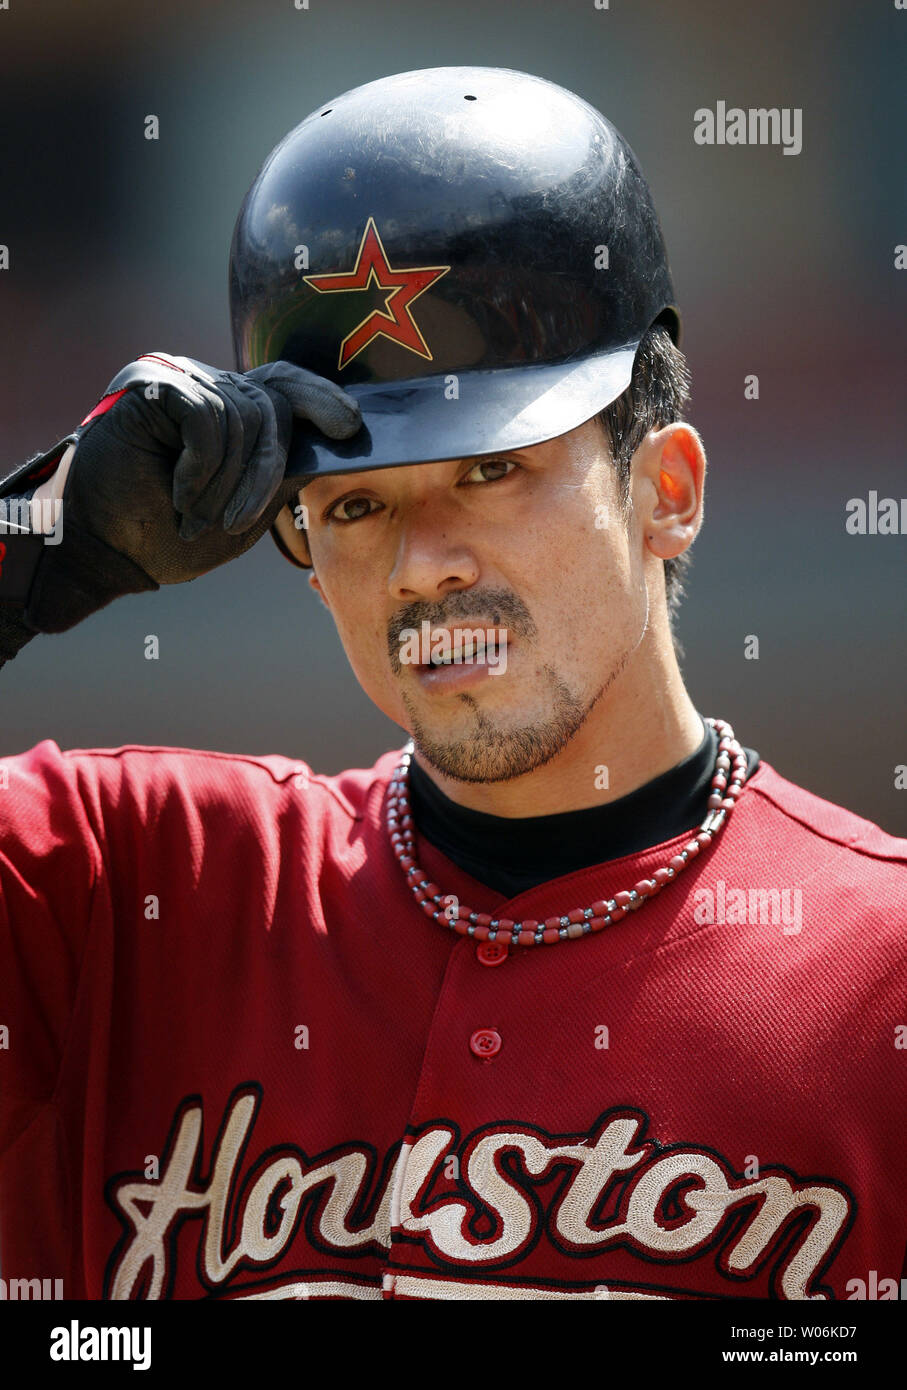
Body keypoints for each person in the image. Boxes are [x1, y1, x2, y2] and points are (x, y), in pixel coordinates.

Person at [0, 67, 904, 1303]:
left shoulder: (878, 981)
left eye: (491, 472)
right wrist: (34, 548)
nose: (422, 566)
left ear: (668, 492)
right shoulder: (127, 891)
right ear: (305, 556)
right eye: (358, 503)